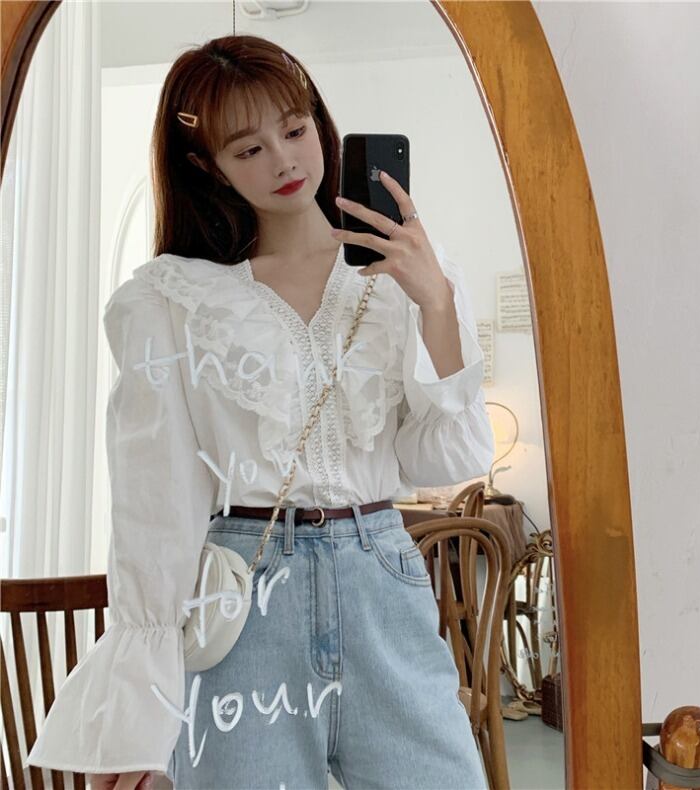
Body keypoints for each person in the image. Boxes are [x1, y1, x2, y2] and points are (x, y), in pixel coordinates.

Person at [25, 35, 495, 789]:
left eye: (295, 129)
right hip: (243, 594)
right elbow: (154, 504)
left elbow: (447, 455)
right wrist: (141, 721)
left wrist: (435, 303)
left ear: (319, 124)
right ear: (208, 166)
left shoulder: (408, 281)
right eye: (248, 148)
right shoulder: (173, 300)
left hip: (383, 578)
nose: (283, 160)